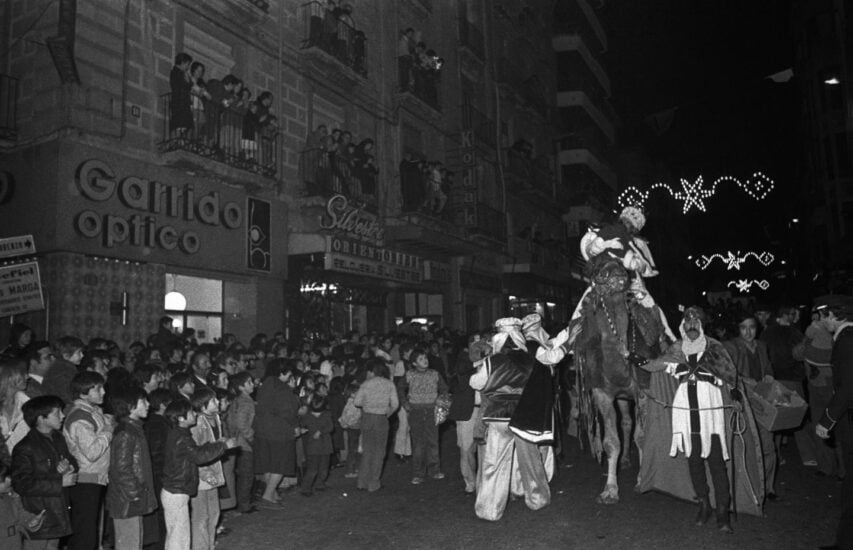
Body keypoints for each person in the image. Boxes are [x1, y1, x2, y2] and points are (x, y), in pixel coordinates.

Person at [651, 306, 737, 532]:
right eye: (687, 320)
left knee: (717, 462)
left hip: (710, 412)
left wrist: (735, 394)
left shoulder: (714, 347)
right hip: (686, 413)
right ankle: (704, 505)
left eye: (695, 319)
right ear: (682, 324)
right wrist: (630, 356)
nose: (691, 323)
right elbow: (654, 365)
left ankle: (722, 512)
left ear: (702, 323)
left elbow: (730, 376)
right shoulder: (677, 348)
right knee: (694, 461)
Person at [469, 318, 550, 522]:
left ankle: (490, 509)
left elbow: (476, 383)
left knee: (494, 463)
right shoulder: (531, 359)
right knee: (530, 460)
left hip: (497, 416)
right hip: (524, 414)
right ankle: (537, 498)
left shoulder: (492, 360)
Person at [160, 398, 234, 550]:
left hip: (176, 489)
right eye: (190, 412)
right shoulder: (181, 437)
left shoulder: (179, 433)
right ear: (181, 418)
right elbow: (199, 456)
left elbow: (196, 452)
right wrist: (223, 445)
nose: (194, 414)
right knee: (179, 538)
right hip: (176, 490)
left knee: (177, 534)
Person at [12, 395, 78, 550]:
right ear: (41, 419)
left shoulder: (58, 438)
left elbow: (72, 460)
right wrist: (59, 482)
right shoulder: (25, 447)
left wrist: (69, 466)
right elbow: (21, 483)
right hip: (38, 513)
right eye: (57, 413)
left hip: (57, 509)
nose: (63, 416)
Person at [723, 314, 779, 501]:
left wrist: (769, 375)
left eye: (752, 327)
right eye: (743, 327)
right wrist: (743, 380)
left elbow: (768, 367)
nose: (748, 332)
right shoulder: (731, 346)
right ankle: (748, 487)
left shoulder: (762, 346)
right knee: (746, 445)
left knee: (768, 445)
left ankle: (768, 487)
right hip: (742, 400)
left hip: (761, 399)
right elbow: (724, 371)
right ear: (738, 329)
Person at [813, 294, 853, 550]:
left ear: (833, 315)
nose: (820, 320)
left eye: (822, 315)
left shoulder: (847, 341)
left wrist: (826, 421)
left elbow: (847, 387)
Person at [63, 371, 112, 550]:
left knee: (92, 529)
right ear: (83, 393)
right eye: (98, 389)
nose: (104, 392)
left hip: (96, 477)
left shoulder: (92, 412)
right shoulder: (79, 417)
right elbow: (92, 452)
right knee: (85, 532)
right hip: (85, 479)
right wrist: (108, 430)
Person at [761, 305, 816, 467]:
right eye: (793, 314)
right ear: (785, 315)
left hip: (774, 380)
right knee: (800, 418)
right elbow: (804, 354)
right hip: (792, 380)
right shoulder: (794, 333)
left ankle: (776, 456)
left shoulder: (766, 333)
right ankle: (809, 456)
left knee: (777, 420)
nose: (796, 317)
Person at [106, 388, 157, 550]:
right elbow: (121, 469)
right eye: (143, 401)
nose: (148, 404)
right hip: (127, 500)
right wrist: (135, 493)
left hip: (132, 497)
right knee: (129, 543)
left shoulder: (134, 428)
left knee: (135, 541)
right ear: (129, 406)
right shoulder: (126, 432)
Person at [253, 360, 299, 507]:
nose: (291, 375)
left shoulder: (264, 385)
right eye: (289, 373)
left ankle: (272, 493)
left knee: (268, 463)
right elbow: (288, 411)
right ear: (282, 373)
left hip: (262, 429)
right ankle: (268, 495)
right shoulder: (282, 388)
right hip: (279, 430)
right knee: (280, 464)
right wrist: (295, 426)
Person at [398, 349, 447, 485]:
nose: (425, 361)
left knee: (433, 441)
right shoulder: (409, 375)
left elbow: (444, 389)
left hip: (432, 410)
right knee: (418, 443)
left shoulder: (435, 374)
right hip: (416, 411)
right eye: (421, 359)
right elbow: (400, 388)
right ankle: (418, 473)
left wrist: (440, 399)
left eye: (425, 358)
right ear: (414, 363)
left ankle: (434, 470)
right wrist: (405, 403)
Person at [353, 358, 398, 492]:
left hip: (367, 418)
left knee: (367, 450)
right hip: (381, 419)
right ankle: (374, 483)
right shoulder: (389, 384)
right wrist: (386, 413)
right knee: (379, 452)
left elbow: (357, 402)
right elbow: (395, 405)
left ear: (372, 371)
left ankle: (362, 482)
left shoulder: (366, 384)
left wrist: (368, 404)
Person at [447, 333, 482, 494]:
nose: (479, 346)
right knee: (466, 449)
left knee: (483, 448)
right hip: (467, 410)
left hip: (484, 410)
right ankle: (470, 480)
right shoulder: (463, 359)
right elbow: (462, 368)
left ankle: (483, 481)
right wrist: (477, 360)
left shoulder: (491, 359)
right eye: (474, 343)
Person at [143, 388, 172, 550]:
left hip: (160, 472)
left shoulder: (159, 422)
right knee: (161, 514)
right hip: (159, 474)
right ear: (162, 405)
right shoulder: (157, 424)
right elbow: (156, 451)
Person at [226, 372, 256, 514]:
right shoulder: (245, 401)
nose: (253, 384)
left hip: (237, 440)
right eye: (249, 382)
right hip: (244, 442)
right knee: (247, 474)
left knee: (243, 473)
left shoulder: (239, 400)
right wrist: (251, 438)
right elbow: (241, 423)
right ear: (241, 386)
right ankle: (244, 504)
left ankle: (242, 502)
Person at [0, 461, 45, 550]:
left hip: (14, 544)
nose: (10, 480)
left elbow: (21, 514)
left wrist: (31, 521)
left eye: (9, 475)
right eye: (4, 478)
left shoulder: (12, 496)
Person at [299, 395, 333, 496]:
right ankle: (306, 488)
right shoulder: (308, 416)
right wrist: (302, 429)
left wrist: (321, 431)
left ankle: (320, 484)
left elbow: (330, 427)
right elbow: (301, 424)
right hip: (313, 447)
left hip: (325, 446)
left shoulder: (326, 415)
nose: (316, 414)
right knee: (312, 469)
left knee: (324, 468)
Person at [41, 336, 85, 407]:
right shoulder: (63, 371)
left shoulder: (63, 367)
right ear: (66, 356)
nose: (82, 355)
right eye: (79, 352)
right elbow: (68, 397)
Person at [0, 360, 30, 454]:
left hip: (21, 463)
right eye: (23, 373)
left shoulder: (25, 404)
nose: (28, 377)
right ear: (9, 378)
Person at [169, 53, 193, 136]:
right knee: (180, 123)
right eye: (187, 64)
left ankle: (180, 140)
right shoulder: (177, 73)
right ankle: (177, 140)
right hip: (180, 102)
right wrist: (186, 77)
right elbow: (185, 85)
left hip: (182, 102)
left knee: (185, 124)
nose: (188, 67)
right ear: (182, 62)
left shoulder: (177, 73)